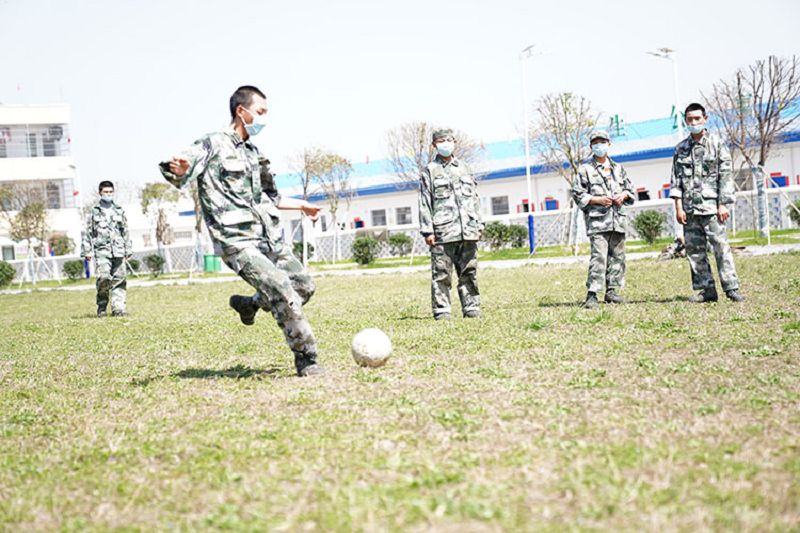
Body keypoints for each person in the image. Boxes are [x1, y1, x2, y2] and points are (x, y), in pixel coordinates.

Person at [158, 85, 325, 377]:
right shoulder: (212, 143)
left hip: (267, 237)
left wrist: (303, 206)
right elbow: (181, 166)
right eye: (260, 112)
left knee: (303, 286)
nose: (264, 119)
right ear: (241, 111)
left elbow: (271, 197)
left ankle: (249, 304)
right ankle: (307, 358)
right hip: (236, 240)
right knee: (281, 288)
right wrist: (181, 169)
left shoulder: (254, 153)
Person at [669, 102, 744, 303]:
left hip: (712, 208)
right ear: (686, 121)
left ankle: (731, 288)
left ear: (705, 119)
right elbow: (675, 180)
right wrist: (678, 207)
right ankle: (707, 290)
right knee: (695, 252)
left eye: (697, 118)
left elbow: (725, 176)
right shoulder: (681, 149)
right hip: (690, 210)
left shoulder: (718, 144)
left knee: (721, 248)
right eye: (690, 119)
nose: (693, 122)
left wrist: (723, 204)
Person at [418, 128, 483, 320]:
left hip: (467, 229)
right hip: (442, 231)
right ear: (434, 145)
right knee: (441, 273)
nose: (445, 143)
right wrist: (427, 231)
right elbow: (424, 202)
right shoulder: (430, 171)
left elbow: (475, 199)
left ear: (455, 142)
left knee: (469, 271)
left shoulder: (465, 168)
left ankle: (471, 307)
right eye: (441, 141)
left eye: (449, 140)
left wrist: (479, 224)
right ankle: (442, 310)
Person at [572, 130, 636, 309]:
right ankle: (592, 294)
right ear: (591, 147)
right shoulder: (586, 170)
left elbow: (631, 190)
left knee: (617, 257)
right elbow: (578, 194)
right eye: (595, 143)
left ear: (609, 144)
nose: (599, 146)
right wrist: (596, 200)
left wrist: (624, 195)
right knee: (599, 257)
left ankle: (612, 291)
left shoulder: (618, 168)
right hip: (598, 221)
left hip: (618, 219)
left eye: (602, 142)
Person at [80, 180, 132, 317]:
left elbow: (125, 231)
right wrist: (87, 251)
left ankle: (118, 308)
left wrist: (128, 249)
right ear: (100, 193)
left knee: (119, 279)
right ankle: (102, 306)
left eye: (110, 192)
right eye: (105, 192)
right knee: (103, 278)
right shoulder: (94, 212)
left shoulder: (119, 210)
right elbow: (88, 232)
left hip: (119, 250)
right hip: (102, 251)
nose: (108, 194)